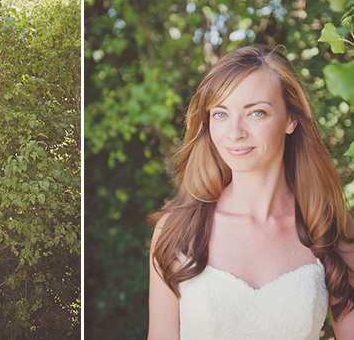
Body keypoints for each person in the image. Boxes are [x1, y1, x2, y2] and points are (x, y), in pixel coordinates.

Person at [147, 45, 354, 339]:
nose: (235, 132)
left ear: (291, 119)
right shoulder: (177, 230)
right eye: (220, 114)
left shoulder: (330, 226)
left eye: (256, 112)